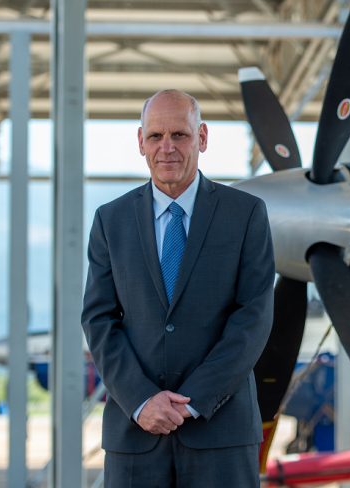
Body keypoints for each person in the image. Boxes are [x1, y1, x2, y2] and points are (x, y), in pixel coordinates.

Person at [82, 89, 275, 487]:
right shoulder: (109, 221)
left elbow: (253, 318)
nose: (166, 147)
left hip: (221, 433)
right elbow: (99, 320)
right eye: (155, 136)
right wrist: (141, 400)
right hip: (136, 433)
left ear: (201, 137)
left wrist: (194, 401)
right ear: (141, 142)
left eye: (180, 135)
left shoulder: (246, 214)